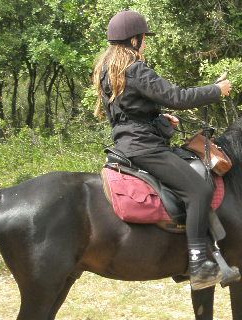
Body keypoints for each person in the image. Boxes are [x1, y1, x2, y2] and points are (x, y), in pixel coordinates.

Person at [93, 9, 233, 291]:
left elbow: (127, 115)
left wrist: (159, 120)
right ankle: (199, 264)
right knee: (198, 190)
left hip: (128, 145)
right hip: (146, 149)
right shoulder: (135, 69)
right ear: (134, 40)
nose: (145, 43)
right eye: (143, 38)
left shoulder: (108, 71)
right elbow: (177, 97)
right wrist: (216, 90)